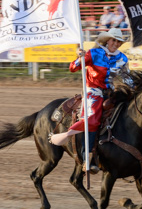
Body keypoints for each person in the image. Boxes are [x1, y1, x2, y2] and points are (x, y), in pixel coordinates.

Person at [49, 27, 130, 173]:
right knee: (92, 118)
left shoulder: (122, 58)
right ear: (107, 40)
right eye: (114, 40)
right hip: (93, 91)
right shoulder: (93, 53)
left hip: (111, 92)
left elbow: (126, 77)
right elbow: (73, 68)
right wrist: (79, 57)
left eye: (119, 42)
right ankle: (87, 156)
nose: (116, 44)